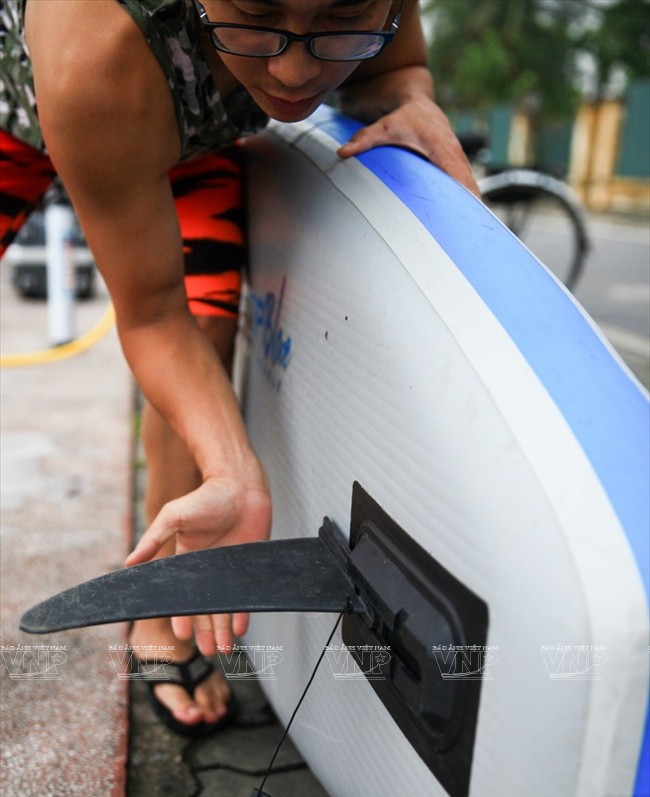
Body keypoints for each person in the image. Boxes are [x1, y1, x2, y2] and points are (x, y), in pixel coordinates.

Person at [0, 0, 477, 736]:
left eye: (339, 20)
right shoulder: (95, 42)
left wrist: (413, 101)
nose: (294, 72)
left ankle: (158, 613)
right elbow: (150, 311)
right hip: (46, 94)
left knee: (210, 323)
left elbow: (397, 68)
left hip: (188, 126)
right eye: (256, 15)